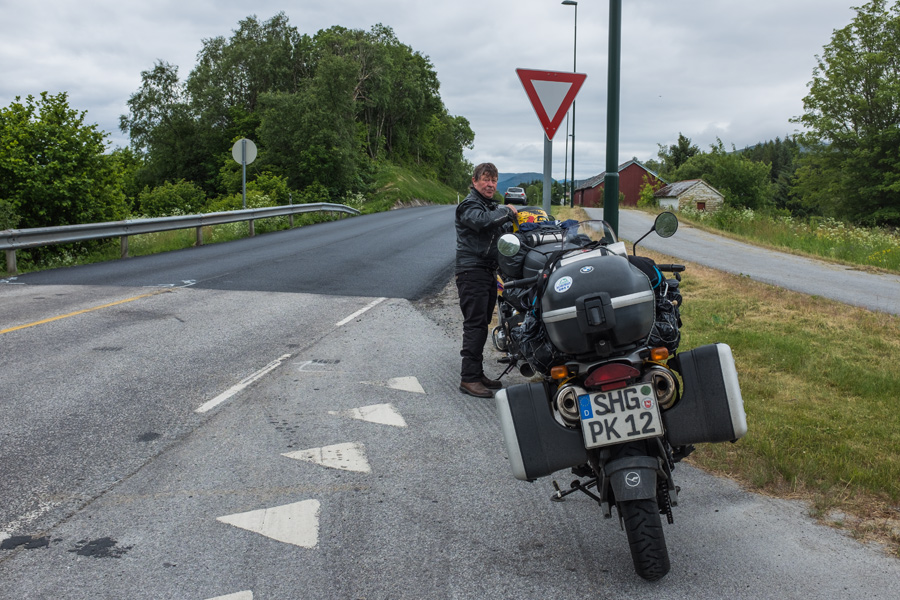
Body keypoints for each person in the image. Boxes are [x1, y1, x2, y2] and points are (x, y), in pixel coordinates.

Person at [455, 163, 518, 398]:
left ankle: (477, 373)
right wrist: (508, 211)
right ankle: (469, 378)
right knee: (475, 325)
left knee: (482, 324)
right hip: (472, 272)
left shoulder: (489, 206)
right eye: (486, 179)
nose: (490, 184)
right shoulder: (469, 206)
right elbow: (481, 221)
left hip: (486, 271)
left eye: (494, 180)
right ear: (474, 181)